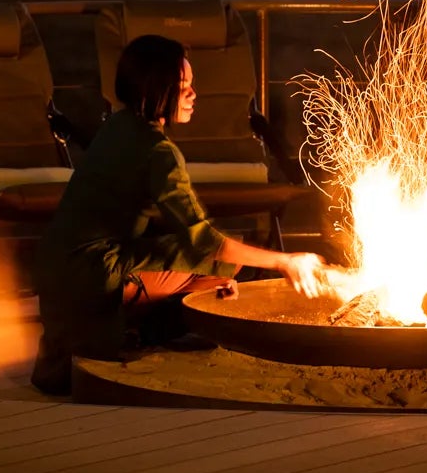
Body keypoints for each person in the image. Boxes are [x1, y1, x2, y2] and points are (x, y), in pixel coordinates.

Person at [29, 33, 325, 394]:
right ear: (156, 89)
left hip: (59, 267)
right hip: (94, 273)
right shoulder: (158, 151)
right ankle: (146, 328)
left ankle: (144, 326)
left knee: (217, 265)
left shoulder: (118, 126)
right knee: (224, 265)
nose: (193, 95)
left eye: (191, 85)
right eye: (183, 87)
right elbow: (203, 241)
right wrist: (285, 261)